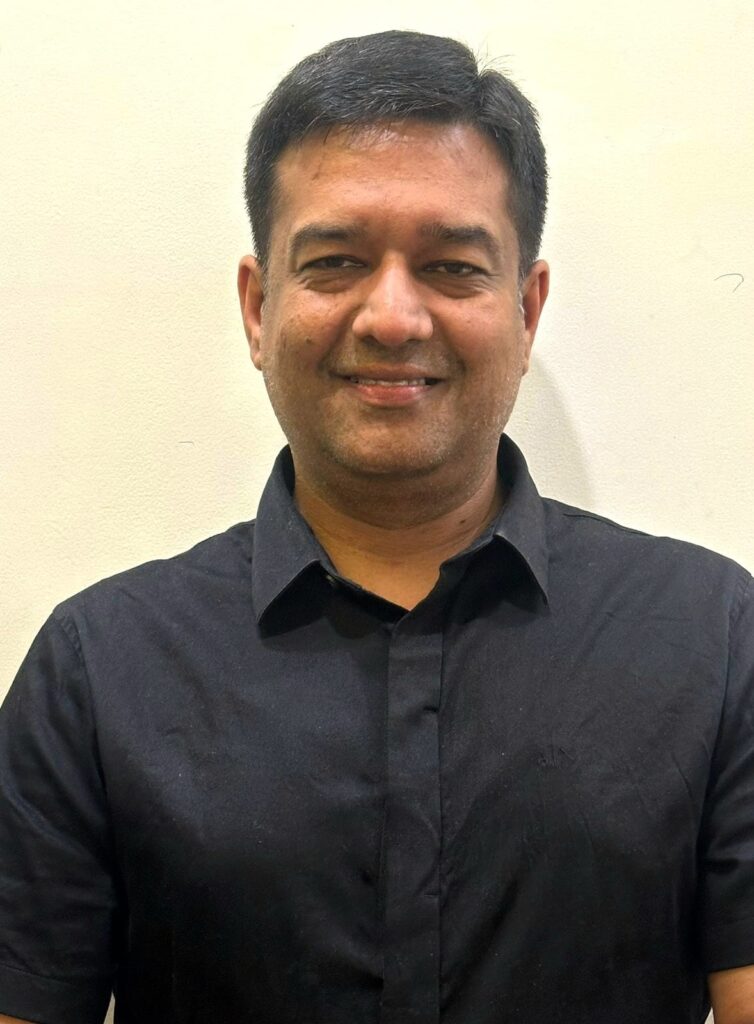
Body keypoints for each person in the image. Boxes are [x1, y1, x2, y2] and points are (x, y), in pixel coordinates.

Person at [1, 28, 752, 1024]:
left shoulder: (714, 638)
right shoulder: (97, 670)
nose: (393, 316)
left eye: (452, 267)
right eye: (336, 262)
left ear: (526, 310)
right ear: (258, 307)